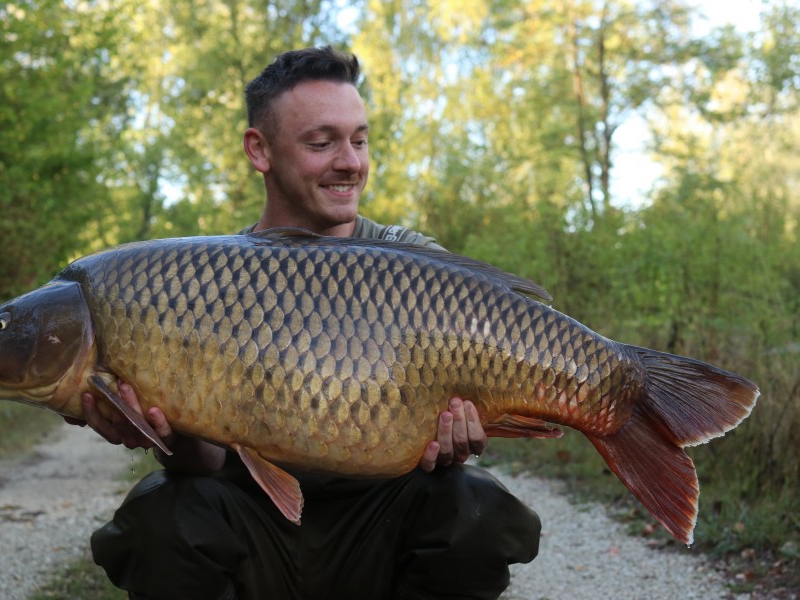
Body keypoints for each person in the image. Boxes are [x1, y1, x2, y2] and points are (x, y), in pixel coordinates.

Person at [70, 46, 541, 600]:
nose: (351, 162)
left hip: (381, 529)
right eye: (322, 143)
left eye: (359, 140)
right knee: (162, 514)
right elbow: (207, 463)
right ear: (259, 149)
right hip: (260, 532)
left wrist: (460, 439)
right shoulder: (207, 282)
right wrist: (161, 431)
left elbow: (466, 426)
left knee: (473, 503)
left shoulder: (413, 265)